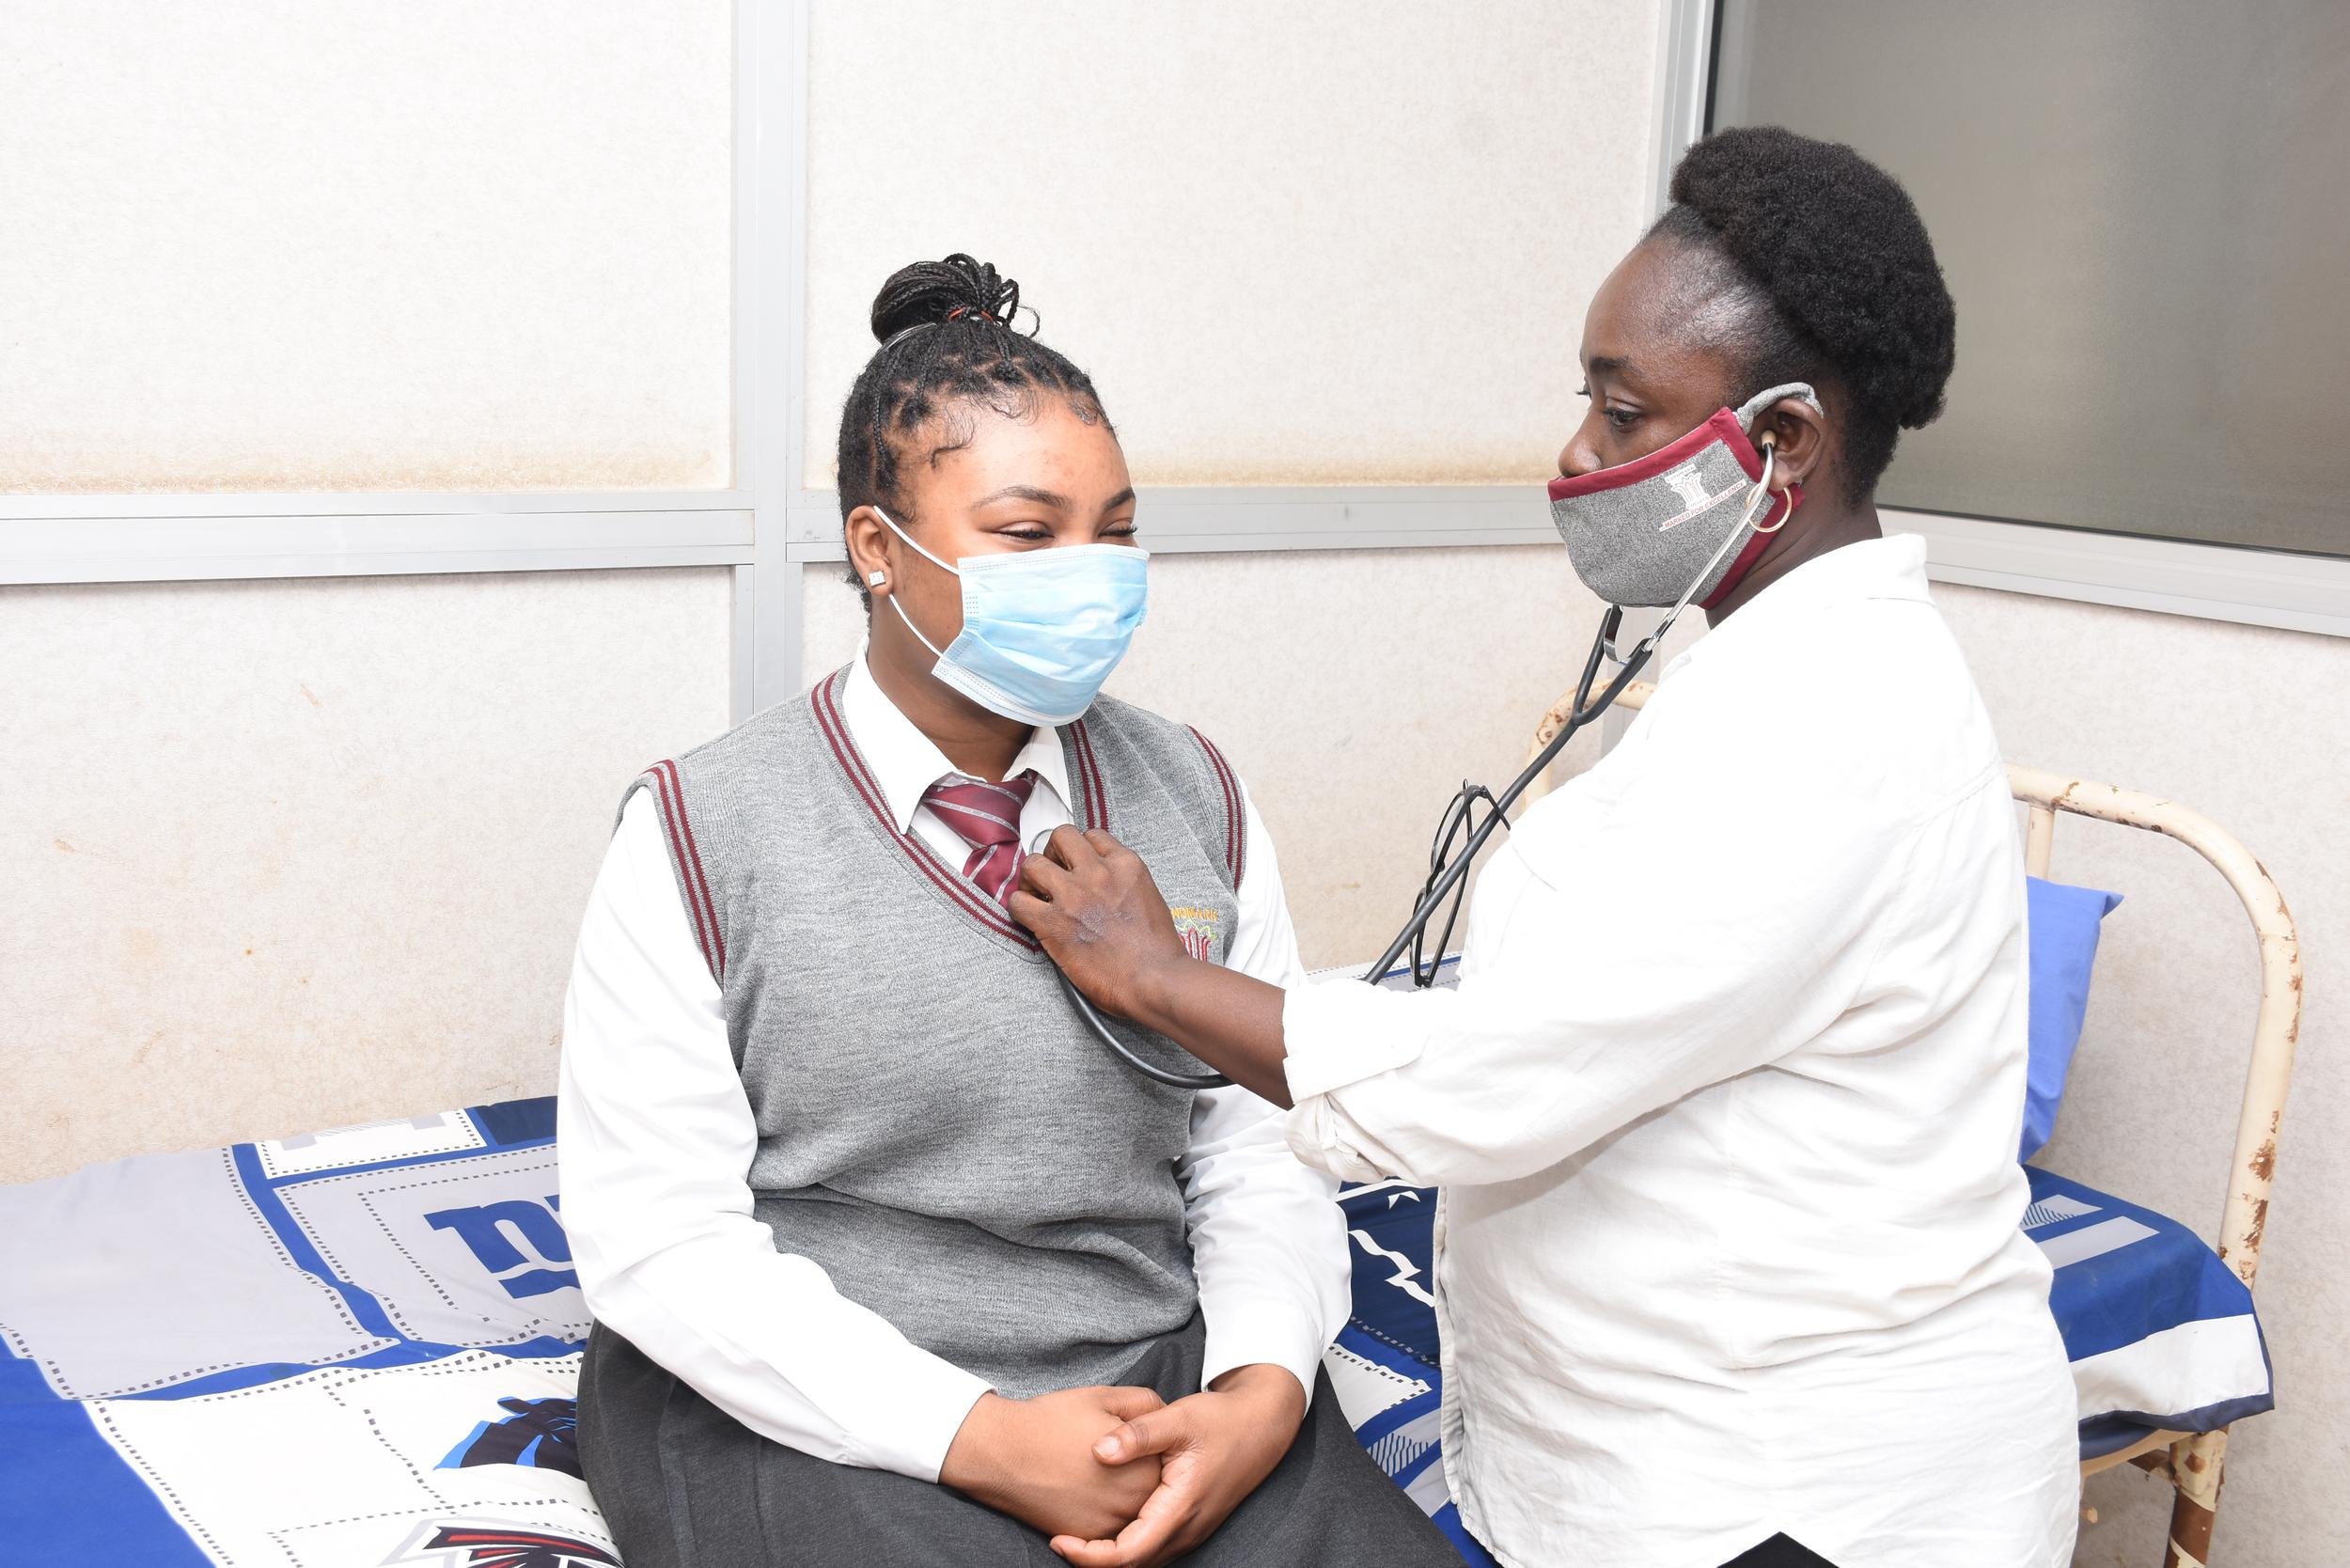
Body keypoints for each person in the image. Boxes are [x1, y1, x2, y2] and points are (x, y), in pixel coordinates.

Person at [1013, 130, 2080, 1568]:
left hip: (1791, 1496)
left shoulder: (1829, 732)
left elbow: (1496, 1082)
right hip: (1661, 1449)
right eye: (1587, 397)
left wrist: (1155, 978)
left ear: (1780, 445)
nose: (1580, 452)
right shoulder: (1756, 671)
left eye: (1625, 411)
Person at [556, 255, 1459, 1568]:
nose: (1090, 573)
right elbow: (662, 1240)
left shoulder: (1191, 795)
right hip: (815, 1392)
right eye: (1031, 535)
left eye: (1118, 530)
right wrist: (984, 1440)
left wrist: (1257, 1398)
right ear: (878, 549)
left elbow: (1256, 1153)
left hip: (1152, 1375)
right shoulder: (702, 833)